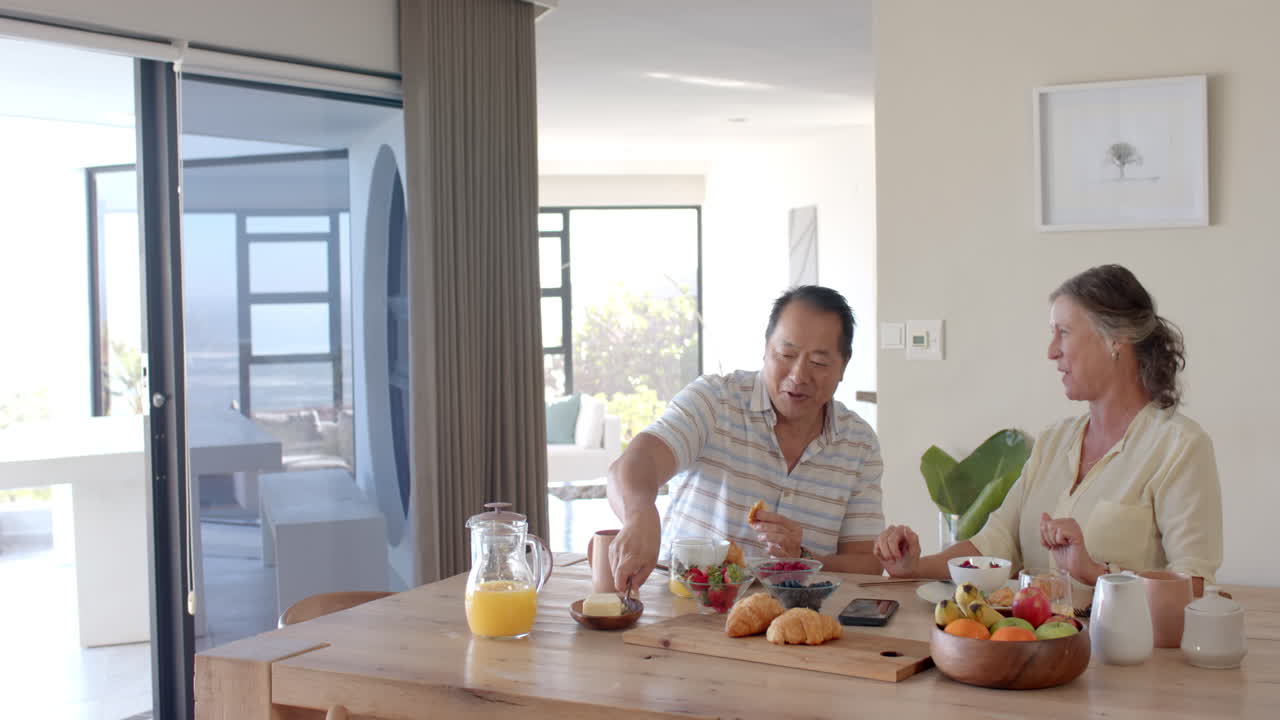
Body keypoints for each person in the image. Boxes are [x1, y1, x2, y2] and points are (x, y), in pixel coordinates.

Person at [875, 265, 1223, 602]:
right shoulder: (1053, 441)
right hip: (1033, 645)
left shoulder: (1180, 447)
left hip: (1126, 656)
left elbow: (1193, 585)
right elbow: (994, 543)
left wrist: (1094, 572)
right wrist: (913, 567)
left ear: (1116, 339)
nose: (1051, 350)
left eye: (1064, 332)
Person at [606, 285, 885, 594]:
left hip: (790, 620)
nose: (799, 375)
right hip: (684, 606)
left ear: (844, 366)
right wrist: (640, 514)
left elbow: (866, 564)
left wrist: (802, 558)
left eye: (819, 363)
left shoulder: (859, 443)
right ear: (766, 349)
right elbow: (637, 460)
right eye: (786, 355)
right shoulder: (715, 400)